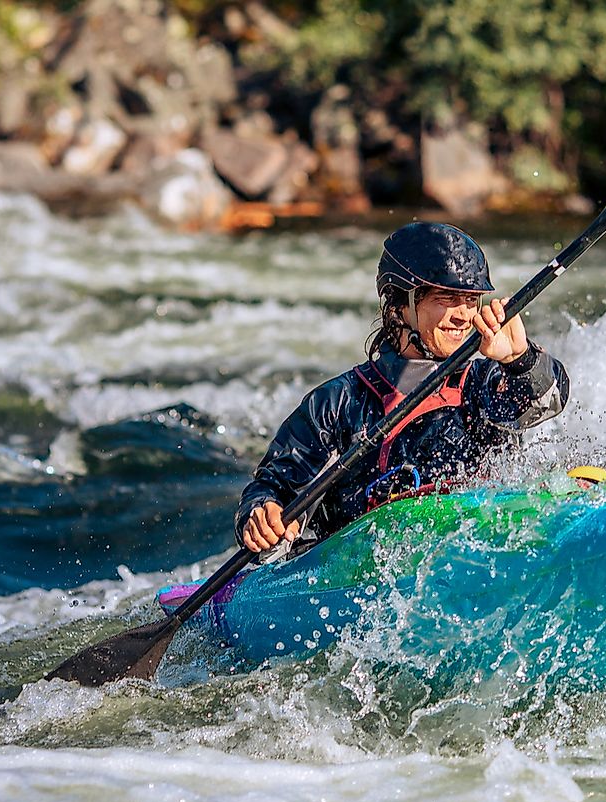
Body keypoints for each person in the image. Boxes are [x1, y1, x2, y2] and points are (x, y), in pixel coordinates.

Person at [236, 222, 570, 557]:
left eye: (471, 300)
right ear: (399, 307)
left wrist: (520, 359)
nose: (463, 315)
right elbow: (274, 491)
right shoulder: (338, 405)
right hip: (367, 577)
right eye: (446, 298)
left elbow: (547, 400)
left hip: (483, 556)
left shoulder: (485, 382)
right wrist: (263, 516)